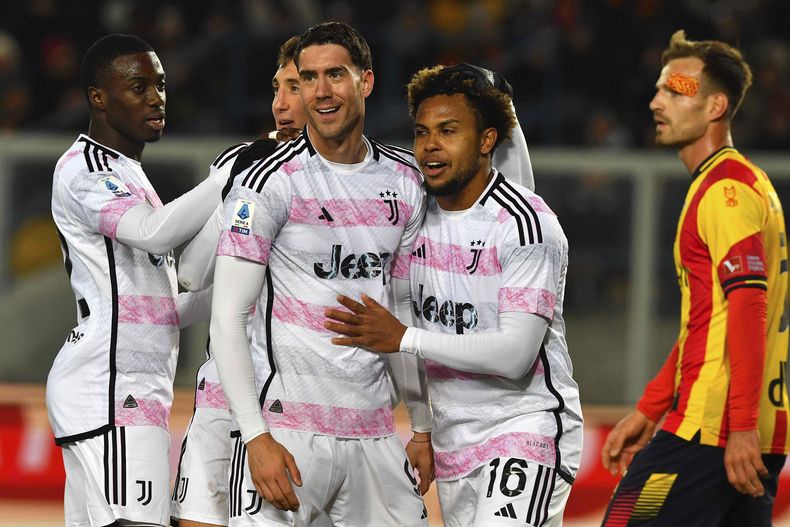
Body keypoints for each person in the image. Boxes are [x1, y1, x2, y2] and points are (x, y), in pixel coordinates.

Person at [324, 62, 583, 526]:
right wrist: (422, 431)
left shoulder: (527, 226)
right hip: (453, 442)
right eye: (422, 133)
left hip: (526, 430)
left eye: (449, 130)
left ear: (486, 141)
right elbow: (409, 333)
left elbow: (514, 356)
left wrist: (403, 337)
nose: (430, 146)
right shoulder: (412, 223)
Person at [209, 21, 431, 525]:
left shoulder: (406, 181)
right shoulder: (268, 180)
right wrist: (255, 436)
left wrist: (421, 429)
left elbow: (400, 312)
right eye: (308, 78)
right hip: (288, 434)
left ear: (366, 81)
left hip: (375, 433)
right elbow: (227, 317)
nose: (321, 91)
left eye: (335, 75)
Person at [600, 30, 789, 526]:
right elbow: (706, 325)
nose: (655, 100)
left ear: (714, 107)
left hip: (715, 432)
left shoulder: (724, 191)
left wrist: (740, 427)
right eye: (659, 88)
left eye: (675, 89)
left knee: (623, 520)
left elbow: (750, 307)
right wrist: (650, 408)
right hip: (749, 431)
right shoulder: (743, 183)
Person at [48, 34, 225, 526]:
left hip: (128, 392)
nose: (156, 97)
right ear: (97, 97)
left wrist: (246, 292)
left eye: (161, 85)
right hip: (109, 390)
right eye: (138, 86)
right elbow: (153, 234)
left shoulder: (129, 173)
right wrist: (225, 177)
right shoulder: (84, 168)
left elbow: (158, 310)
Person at [171, 35, 313, 527]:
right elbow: (191, 272)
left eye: (294, 87)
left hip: (298, 402)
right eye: (277, 87)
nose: (279, 103)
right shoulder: (243, 162)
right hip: (222, 393)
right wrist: (234, 185)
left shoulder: (359, 177)